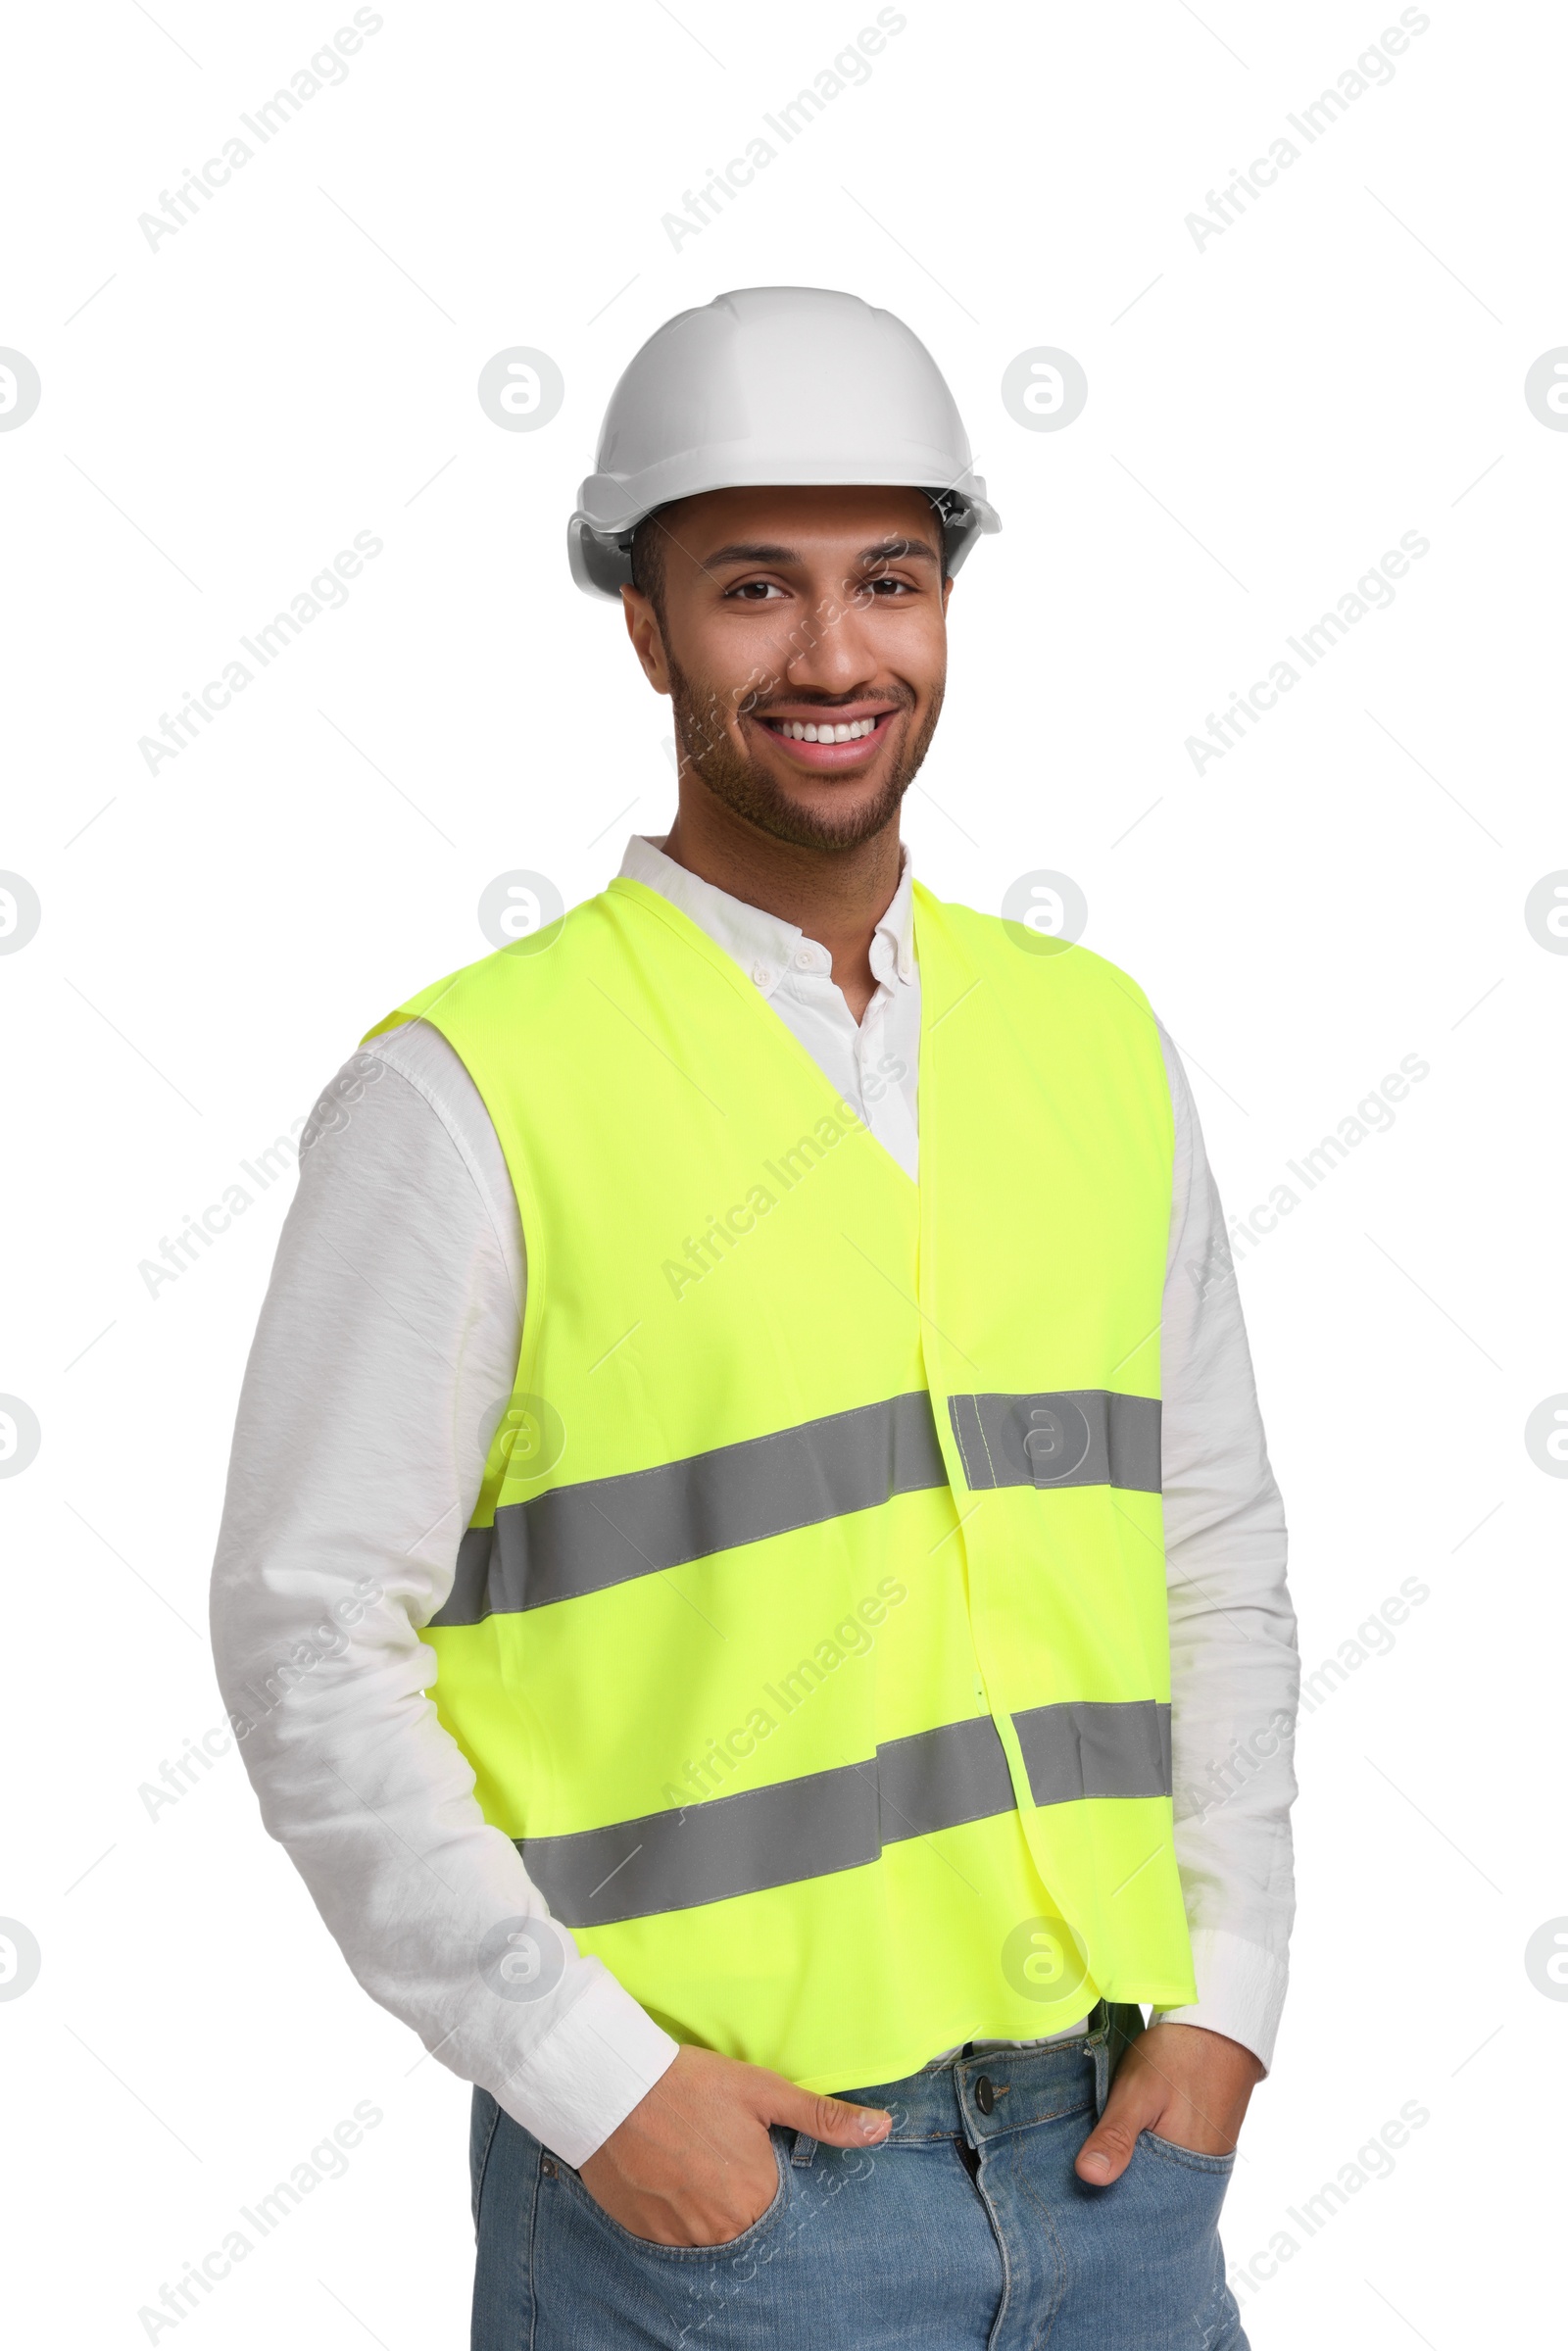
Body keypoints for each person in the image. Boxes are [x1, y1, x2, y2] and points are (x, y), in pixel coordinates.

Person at [211, 285, 1298, 2350]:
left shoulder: (1090, 1043)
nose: (831, 656)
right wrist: (599, 2092)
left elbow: (1210, 1552)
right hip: (722, 2213)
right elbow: (301, 1629)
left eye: (887, 580)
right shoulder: (466, 1097)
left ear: (947, 602)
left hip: (1115, 2177)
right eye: (750, 590)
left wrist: (1226, 2000)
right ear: (643, 628)